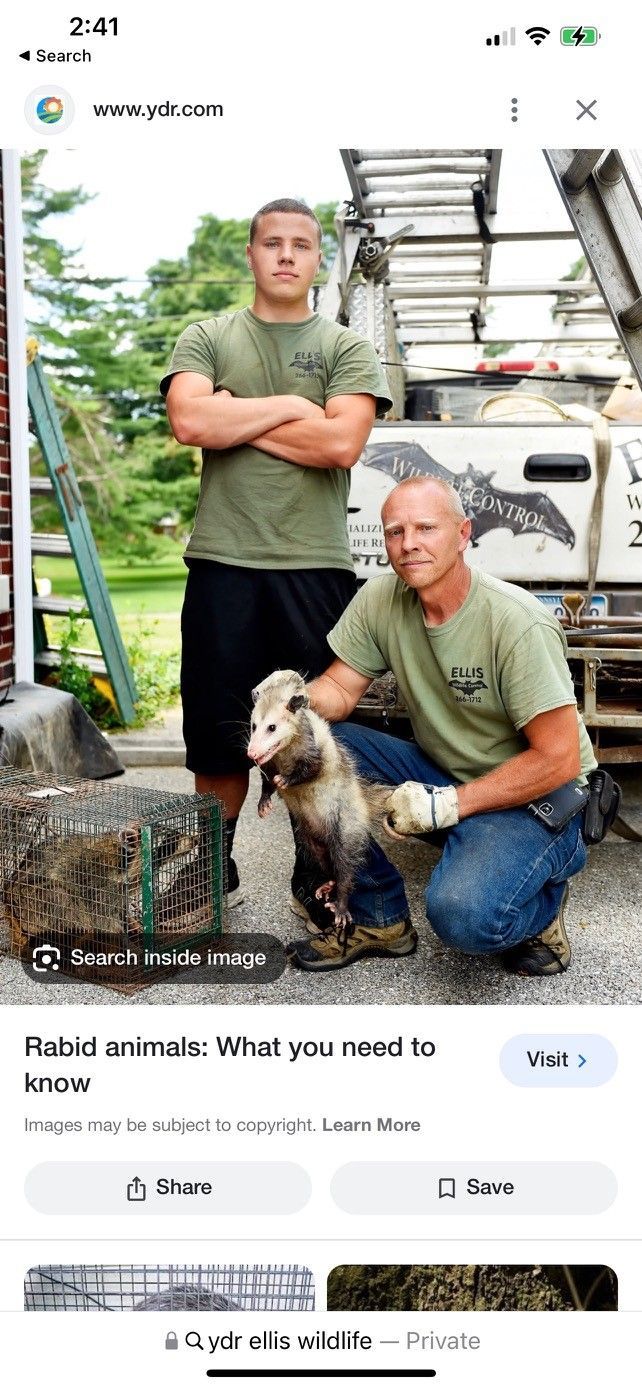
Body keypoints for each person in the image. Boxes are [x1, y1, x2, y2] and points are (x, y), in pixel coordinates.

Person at [161, 198, 392, 903]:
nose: (286, 254)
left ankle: (314, 870)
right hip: (224, 562)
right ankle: (209, 870)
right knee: (214, 724)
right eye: (272, 243)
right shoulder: (208, 334)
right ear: (252, 255)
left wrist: (241, 415)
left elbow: (340, 442)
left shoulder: (346, 347)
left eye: (300, 244)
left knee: (307, 729)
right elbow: (189, 418)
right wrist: (297, 407)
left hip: (312, 565)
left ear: (317, 259)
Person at [286, 475, 596, 975]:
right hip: (445, 770)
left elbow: (557, 759)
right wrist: (291, 702)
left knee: (464, 920)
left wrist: (448, 805)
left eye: (426, 528)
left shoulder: (515, 622)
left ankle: (545, 898)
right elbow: (340, 692)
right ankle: (378, 916)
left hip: (537, 795)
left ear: (462, 534)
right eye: (395, 531)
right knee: (302, 749)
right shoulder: (382, 598)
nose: (408, 544)